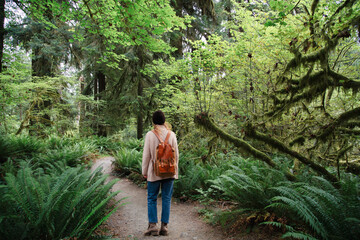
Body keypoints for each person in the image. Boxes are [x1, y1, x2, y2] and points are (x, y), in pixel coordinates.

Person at [142, 110, 179, 236]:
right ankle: (164, 227)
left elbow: (146, 155)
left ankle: (153, 226)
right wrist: (175, 172)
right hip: (169, 171)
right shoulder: (172, 134)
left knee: (152, 198)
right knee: (167, 198)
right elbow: (176, 156)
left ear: (154, 121)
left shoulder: (150, 135)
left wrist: (144, 171)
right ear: (164, 120)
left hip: (154, 172)